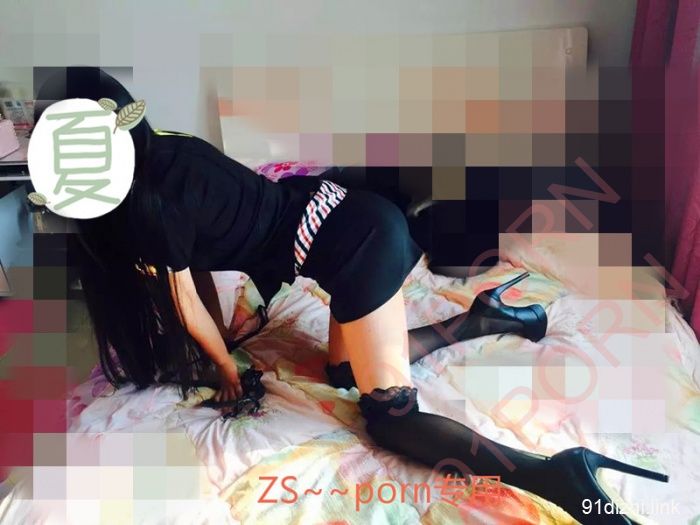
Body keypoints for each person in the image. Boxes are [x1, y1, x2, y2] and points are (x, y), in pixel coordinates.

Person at [44, 67, 666, 525]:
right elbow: (195, 271)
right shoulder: (168, 149)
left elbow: (183, 304)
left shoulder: (145, 209)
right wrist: (225, 342)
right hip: (344, 219)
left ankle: (557, 475)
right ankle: (486, 318)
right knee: (341, 371)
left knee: (390, 418)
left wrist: (227, 370)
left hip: (358, 244)